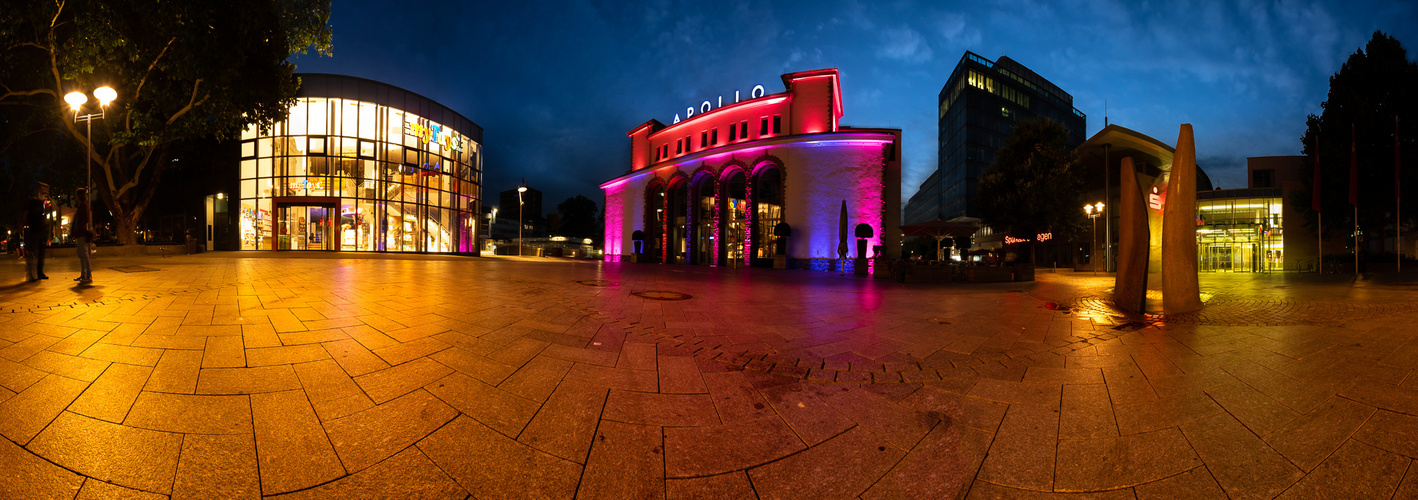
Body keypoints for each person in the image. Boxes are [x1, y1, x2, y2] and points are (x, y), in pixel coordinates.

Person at [21, 182, 50, 281]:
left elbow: (44, 217)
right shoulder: (30, 202)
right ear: (38, 189)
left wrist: (46, 230)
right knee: (32, 253)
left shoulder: (42, 203)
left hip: (42, 231)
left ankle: (40, 273)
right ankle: (30, 274)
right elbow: (25, 215)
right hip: (33, 230)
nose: (45, 191)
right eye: (43, 189)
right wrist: (26, 228)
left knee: (41, 253)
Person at [72, 188, 94, 283]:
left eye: (76, 195)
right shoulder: (81, 206)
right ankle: (83, 274)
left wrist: (79, 229)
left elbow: (85, 220)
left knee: (84, 254)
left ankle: (88, 275)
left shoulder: (84, 206)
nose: (75, 197)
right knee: (81, 254)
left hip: (82, 233)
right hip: (79, 233)